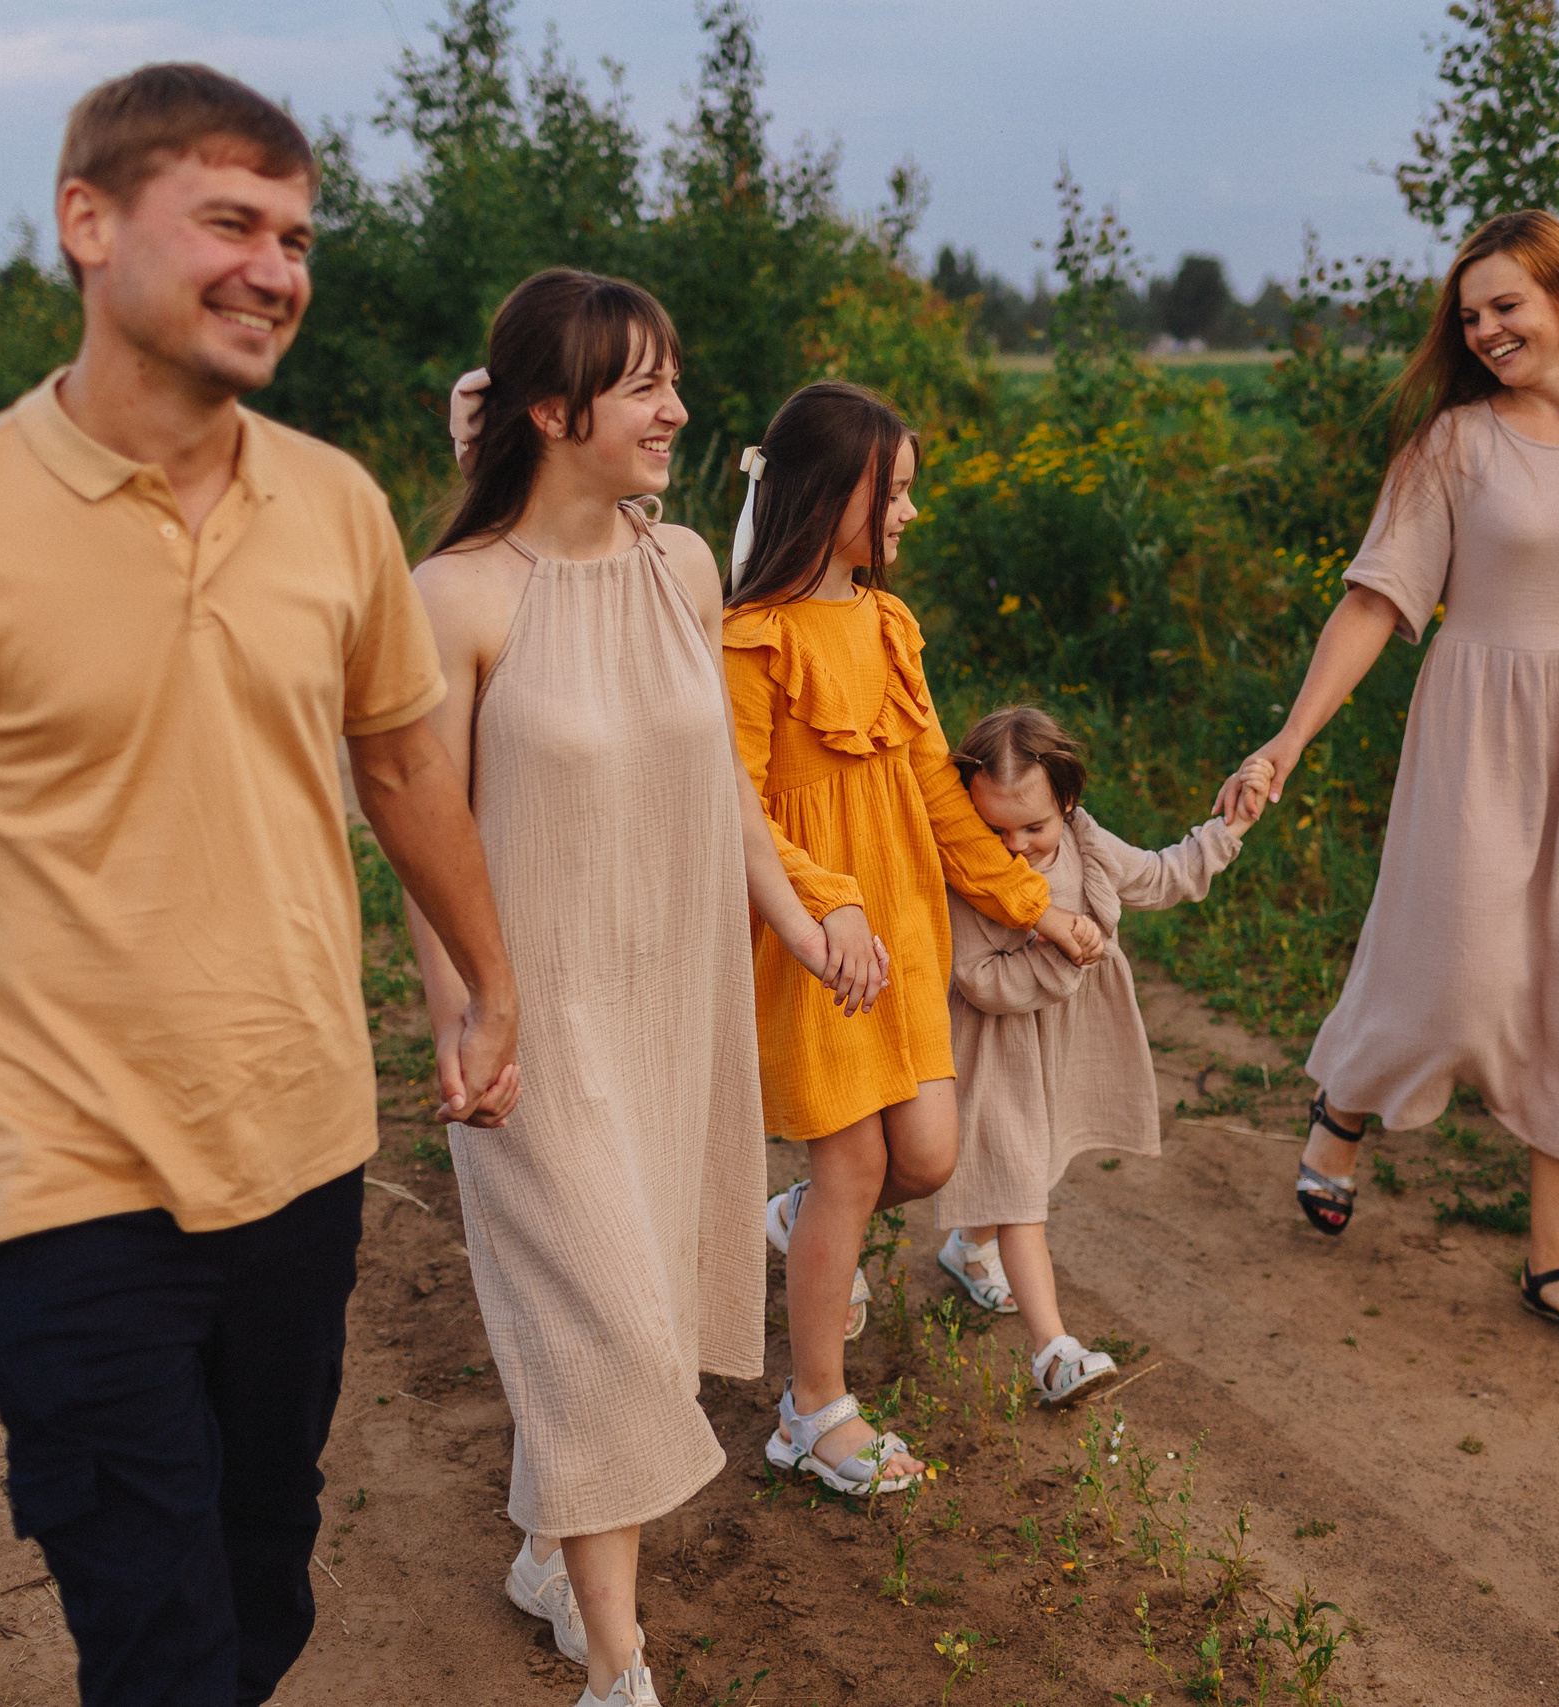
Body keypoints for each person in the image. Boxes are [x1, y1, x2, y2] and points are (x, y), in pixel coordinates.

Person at [0, 64, 521, 1707]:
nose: (277, 267)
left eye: (298, 235)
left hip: (304, 1147)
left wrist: (494, 977)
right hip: (67, 1182)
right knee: (157, 1644)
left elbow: (401, 765)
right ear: (86, 224)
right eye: (231, 219)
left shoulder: (334, 506)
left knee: (262, 1591)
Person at [416, 275, 886, 1707]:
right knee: (610, 1321)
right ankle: (617, 1667)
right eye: (645, 386)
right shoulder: (454, 597)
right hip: (532, 1022)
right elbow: (425, 832)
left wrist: (804, 922)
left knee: (635, 1299)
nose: (680, 409)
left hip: (672, 1000)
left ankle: (557, 1554)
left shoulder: (682, 564)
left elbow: (722, 786)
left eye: (674, 378)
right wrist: (462, 1018)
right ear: (556, 413)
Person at [1216, 209, 1559, 1362]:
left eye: (1505, 304)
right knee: (1448, 963)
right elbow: (1374, 600)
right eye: (1470, 316)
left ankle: (1554, 1267)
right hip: (1474, 721)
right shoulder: (1456, 445)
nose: (1486, 329)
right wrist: (1287, 741)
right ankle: (1342, 1105)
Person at [722, 382, 1106, 1494]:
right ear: (826, 493)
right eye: (892, 493)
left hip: (905, 935)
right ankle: (813, 1410)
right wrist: (814, 903)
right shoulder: (754, 640)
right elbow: (734, 809)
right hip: (817, 945)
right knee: (852, 1162)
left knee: (928, 1156)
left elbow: (941, 801)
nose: (907, 514)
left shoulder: (889, 625)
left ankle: (802, 1224)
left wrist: (1036, 904)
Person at [934, 707, 1262, 1403]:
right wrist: (1058, 960)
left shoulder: (1088, 845)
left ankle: (967, 1246)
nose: (1016, 847)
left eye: (1034, 827)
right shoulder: (970, 871)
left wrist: (1231, 826)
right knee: (1020, 1184)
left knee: (1023, 1160)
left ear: (1068, 803)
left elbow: (1163, 875)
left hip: (1061, 1041)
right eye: (996, 829)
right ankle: (1054, 1351)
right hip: (998, 1047)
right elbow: (977, 978)